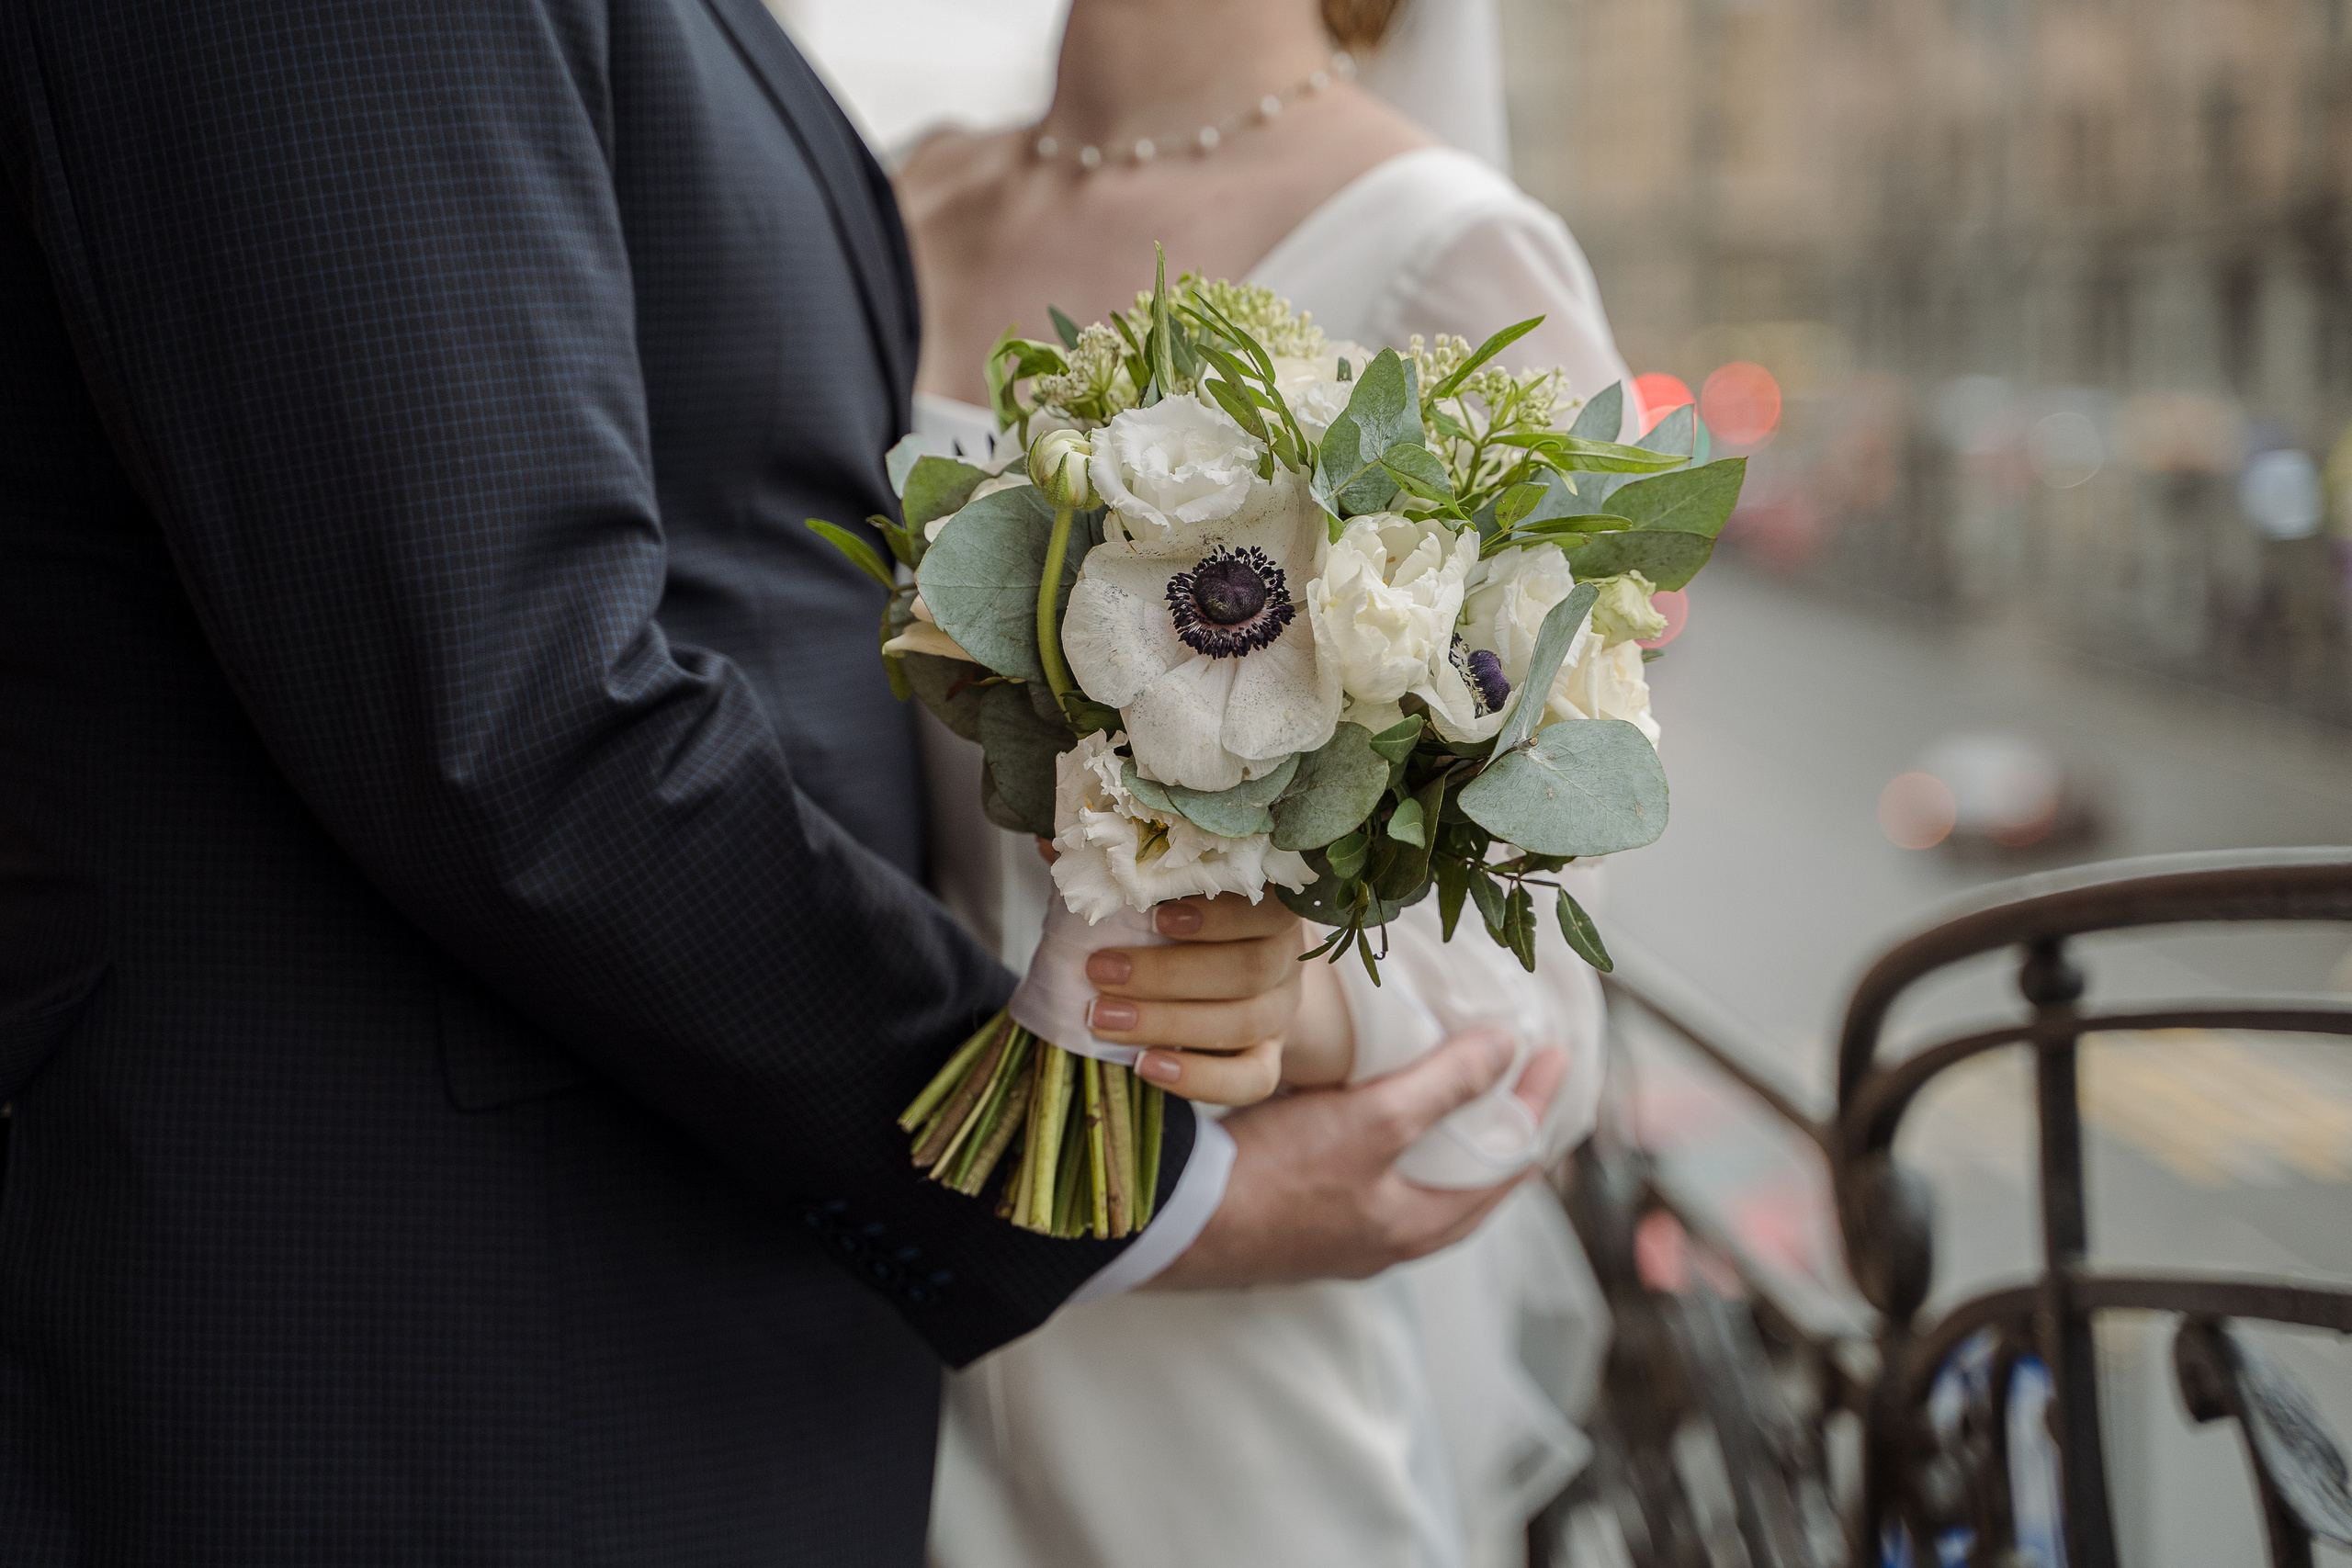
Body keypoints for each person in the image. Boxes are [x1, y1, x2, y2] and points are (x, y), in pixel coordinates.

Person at [0, 3, 1558, 1563]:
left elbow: (1530, 911)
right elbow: (513, 696)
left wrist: (1268, 1012)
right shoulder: (923, 183)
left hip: (897, 1251)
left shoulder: (1435, 256)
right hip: (559, 1281)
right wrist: (1068, 1198)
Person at [893, 0, 1637, 1563]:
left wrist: (1287, 1005)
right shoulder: (886, 195)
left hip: (1214, 1354)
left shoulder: (1452, 257)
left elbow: (1543, 995)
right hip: (864, 1305)